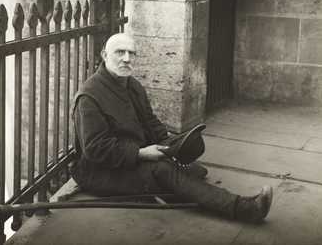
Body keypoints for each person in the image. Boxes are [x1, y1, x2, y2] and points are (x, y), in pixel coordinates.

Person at [70, 33, 273, 223]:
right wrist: (141, 154)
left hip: (131, 158)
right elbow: (95, 149)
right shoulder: (89, 96)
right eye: (119, 52)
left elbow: (150, 122)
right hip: (99, 172)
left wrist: (170, 143)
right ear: (104, 55)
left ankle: (169, 185)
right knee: (165, 171)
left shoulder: (132, 85)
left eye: (131, 53)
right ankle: (244, 208)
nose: (126, 59)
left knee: (194, 171)